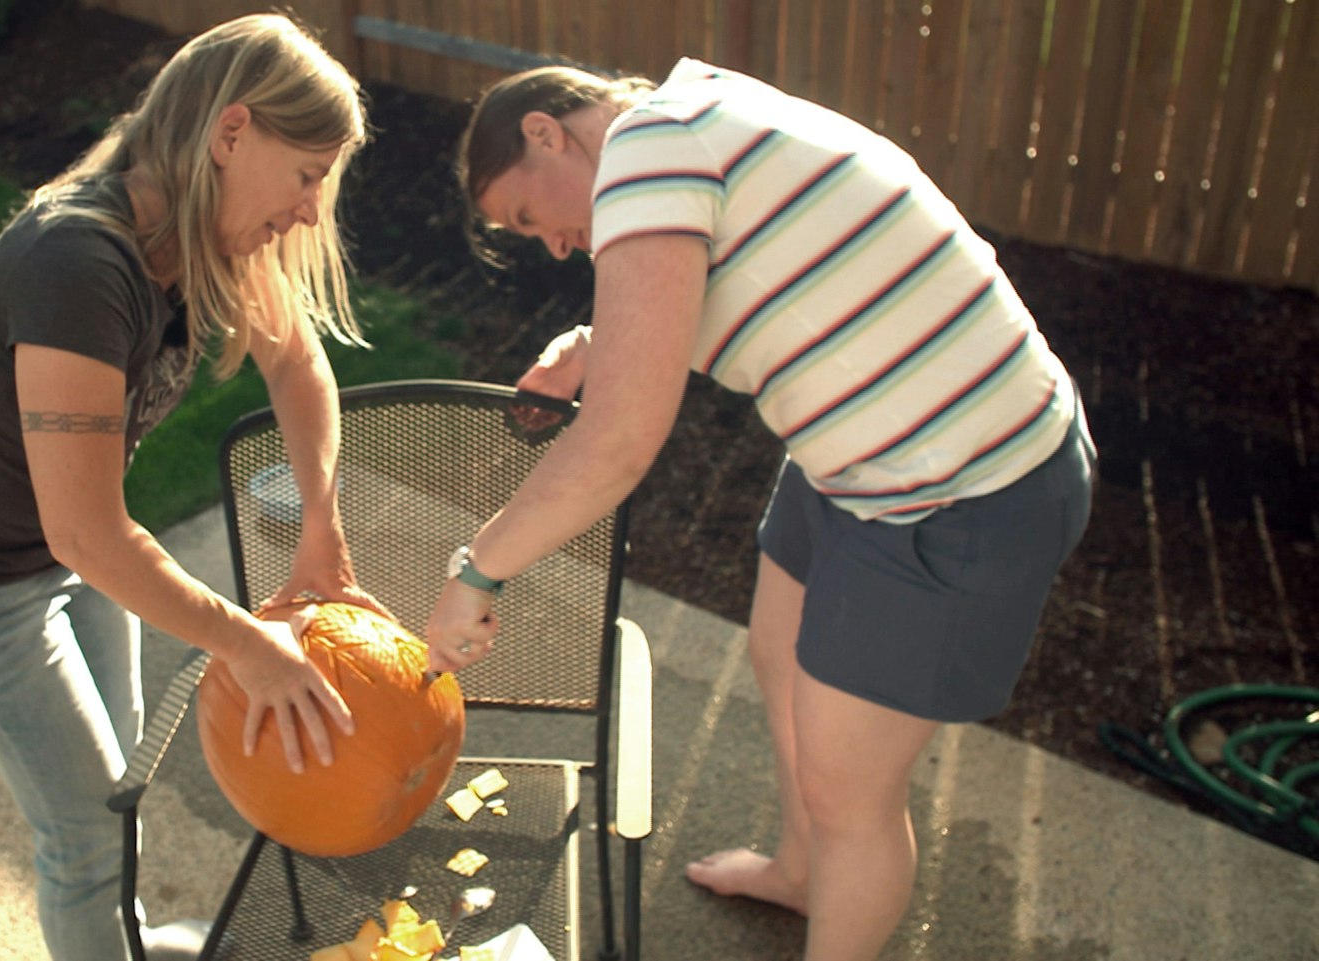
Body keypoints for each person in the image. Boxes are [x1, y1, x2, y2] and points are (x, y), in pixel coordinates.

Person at [427, 60, 1096, 961]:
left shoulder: (647, 148)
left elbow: (618, 442)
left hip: (962, 484)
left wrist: (478, 569)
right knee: (779, 652)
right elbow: (749, 269)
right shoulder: (689, 116)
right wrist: (595, 343)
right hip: (865, 453)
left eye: (525, 215)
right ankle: (803, 871)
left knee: (851, 796)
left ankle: (834, 877)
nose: (550, 245)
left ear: (546, 132)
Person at [0, 13, 382, 961]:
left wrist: (322, 526)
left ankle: (125, 941)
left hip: (60, 550)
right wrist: (249, 644)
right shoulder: (77, 264)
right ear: (232, 133)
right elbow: (89, 534)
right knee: (85, 838)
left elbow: (298, 368)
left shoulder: (204, 234)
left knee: (118, 789)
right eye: (307, 175)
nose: (311, 211)